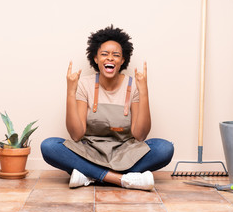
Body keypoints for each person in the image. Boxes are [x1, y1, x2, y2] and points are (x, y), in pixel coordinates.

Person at [41, 25, 174, 191]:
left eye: (116, 55)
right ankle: (121, 179)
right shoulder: (84, 84)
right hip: (90, 152)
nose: (110, 58)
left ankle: (90, 175)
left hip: (125, 153)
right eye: (104, 54)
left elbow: (140, 135)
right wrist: (70, 91)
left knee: (165, 148)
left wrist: (144, 92)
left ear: (123, 60)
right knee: (49, 146)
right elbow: (76, 135)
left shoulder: (133, 85)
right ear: (95, 59)